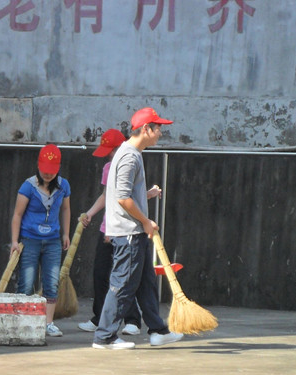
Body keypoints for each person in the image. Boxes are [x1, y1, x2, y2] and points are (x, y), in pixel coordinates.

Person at [92, 108, 184, 350]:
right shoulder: (130, 156)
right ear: (146, 129)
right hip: (129, 233)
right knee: (122, 284)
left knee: (146, 282)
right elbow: (123, 198)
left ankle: (158, 330)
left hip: (132, 232)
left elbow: (123, 195)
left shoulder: (129, 154)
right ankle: (105, 336)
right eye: (158, 128)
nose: (160, 133)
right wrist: (145, 221)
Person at [78, 128, 143, 337]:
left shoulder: (130, 163)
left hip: (123, 230)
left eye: (112, 150)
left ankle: (132, 319)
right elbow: (107, 196)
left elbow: (127, 199)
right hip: (107, 228)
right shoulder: (108, 167)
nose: (109, 154)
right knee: (100, 275)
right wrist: (89, 213)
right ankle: (99, 318)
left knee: (124, 277)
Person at [10, 143, 71, 338]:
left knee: (51, 283)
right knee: (26, 283)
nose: (48, 175)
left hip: (52, 240)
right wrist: (14, 241)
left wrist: (65, 234)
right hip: (30, 239)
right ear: (38, 165)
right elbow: (17, 215)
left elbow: (66, 209)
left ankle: (48, 323)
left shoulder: (63, 185)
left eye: (51, 171)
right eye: (44, 170)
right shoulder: (28, 186)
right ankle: (23, 320)